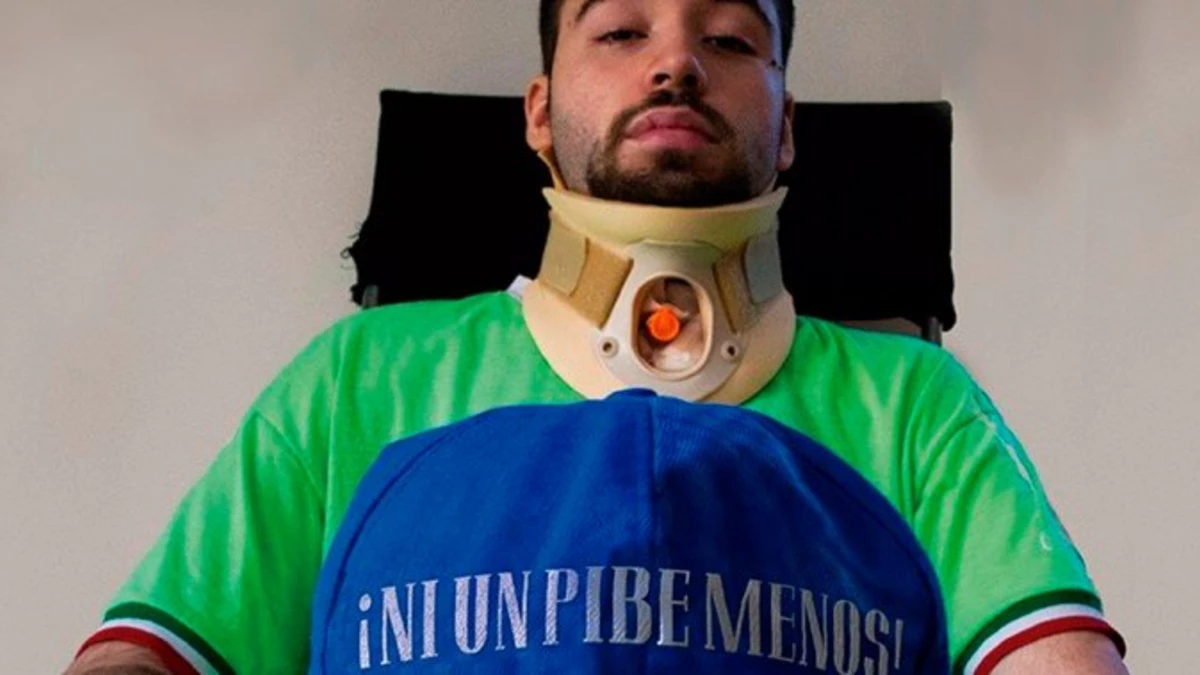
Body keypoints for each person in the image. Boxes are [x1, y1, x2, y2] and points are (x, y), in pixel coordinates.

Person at [67, 0, 1128, 673]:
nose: (677, 64)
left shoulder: (917, 401)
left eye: (729, 39)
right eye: (621, 32)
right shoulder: (356, 380)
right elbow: (146, 658)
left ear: (789, 127)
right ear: (537, 110)